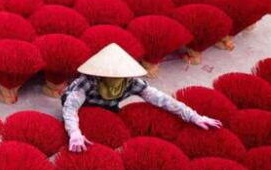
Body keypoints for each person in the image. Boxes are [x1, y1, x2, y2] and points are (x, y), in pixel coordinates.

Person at [62, 43, 222, 152]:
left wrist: (194, 116)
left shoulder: (132, 83)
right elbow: (70, 108)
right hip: (84, 106)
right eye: (109, 76)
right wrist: (74, 133)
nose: (115, 79)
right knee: (77, 128)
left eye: (119, 76)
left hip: (109, 106)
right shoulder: (86, 82)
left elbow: (163, 100)